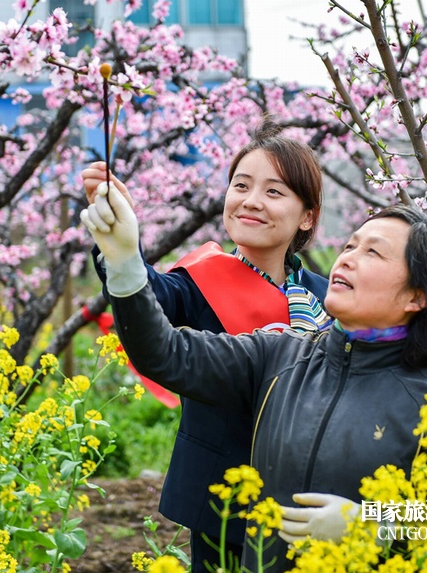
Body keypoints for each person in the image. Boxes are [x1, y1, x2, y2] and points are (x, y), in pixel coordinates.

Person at [80, 190, 427, 572]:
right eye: (350, 244)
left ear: (417, 296)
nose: (347, 257)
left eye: (373, 253)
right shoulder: (281, 354)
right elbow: (165, 354)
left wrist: (375, 526)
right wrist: (124, 265)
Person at [82, 122, 332, 572]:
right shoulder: (196, 281)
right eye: (241, 185)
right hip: (223, 504)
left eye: (274, 192)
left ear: (307, 215)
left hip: (312, 504)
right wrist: (120, 250)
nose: (251, 200)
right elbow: (147, 296)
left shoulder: (328, 296)